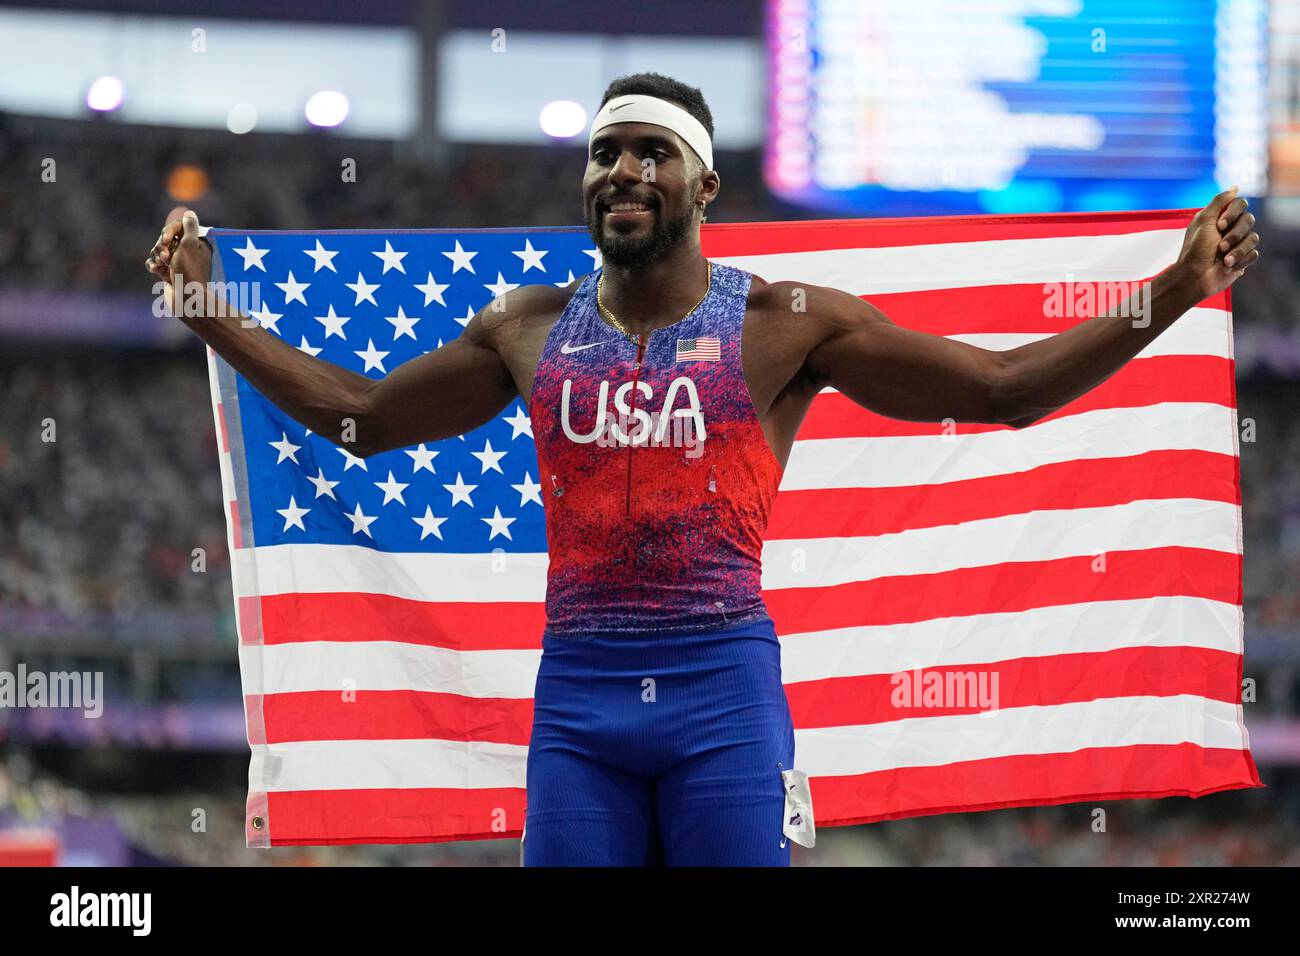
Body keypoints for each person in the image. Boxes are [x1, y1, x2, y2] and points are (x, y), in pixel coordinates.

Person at [144, 72, 1261, 866]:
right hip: (578, 700)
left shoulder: (783, 327)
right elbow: (358, 419)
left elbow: (1002, 388)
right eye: (604, 152)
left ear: (704, 187)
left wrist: (1168, 289)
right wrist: (207, 308)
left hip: (723, 690)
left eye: (650, 152)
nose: (621, 170)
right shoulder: (526, 330)